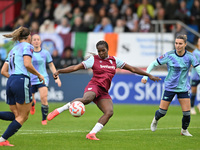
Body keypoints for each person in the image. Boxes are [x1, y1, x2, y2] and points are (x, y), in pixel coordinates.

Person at [47, 40, 161, 140]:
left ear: (107, 49)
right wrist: (60, 71)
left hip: (103, 91)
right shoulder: (93, 60)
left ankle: (91, 134)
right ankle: (59, 110)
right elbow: (75, 67)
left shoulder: (114, 61)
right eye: (99, 51)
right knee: (87, 99)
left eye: (103, 50)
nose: (101, 53)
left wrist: (148, 75)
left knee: (109, 112)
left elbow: (132, 68)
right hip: (94, 85)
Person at [141, 35, 200, 137]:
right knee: (162, 112)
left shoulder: (190, 56)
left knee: (187, 113)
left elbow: (198, 69)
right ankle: (155, 119)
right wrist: (145, 77)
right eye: (176, 43)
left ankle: (184, 130)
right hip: (170, 87)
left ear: (185, 44)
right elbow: (152, 64)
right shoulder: (169, 55)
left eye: (180, 43)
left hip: (183, 88)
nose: (178, 45)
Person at [0, 26, 45, 146]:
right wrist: (39, 75)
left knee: (16, 115)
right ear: (29, 36)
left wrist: (14, 80)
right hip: (21, 80)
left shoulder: (13, 49)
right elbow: (27, 64)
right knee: (23, 117)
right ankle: (2, 140)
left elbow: (3, 71)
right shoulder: (28, 46)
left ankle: (3, 140)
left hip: (11, 81)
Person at [30, 34, 62, 125]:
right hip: (31, 78)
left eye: (38, 39)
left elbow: (51, 65)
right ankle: (32, 104)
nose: (36, 41)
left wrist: (57, 78)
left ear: (40, 41)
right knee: (30, 100)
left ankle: (44, 119)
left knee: (44, 98)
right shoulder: (28, 53)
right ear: (31, 42)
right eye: (34, 39)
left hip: (43, 78)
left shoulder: (45, 53)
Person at [190, 37, 200, 115]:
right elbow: (192, 64)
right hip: (195, 75)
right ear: (197, 43)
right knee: (194, 91)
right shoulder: (195, 52)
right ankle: (192, 107)